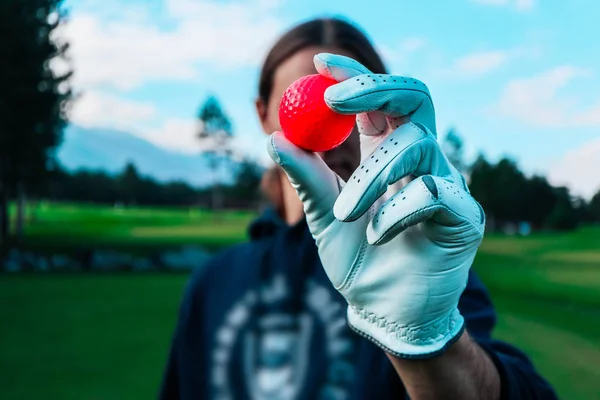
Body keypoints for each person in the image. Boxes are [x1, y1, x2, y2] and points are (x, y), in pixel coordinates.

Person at [159, 17, 557, 400]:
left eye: (347, 106)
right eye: (311, 100)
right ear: (263, 113)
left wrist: (426, 341)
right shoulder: (212, 281)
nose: (334, 127)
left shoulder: (424, 262)